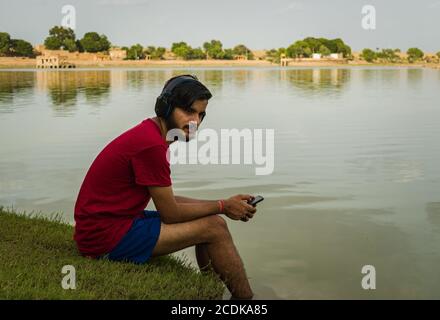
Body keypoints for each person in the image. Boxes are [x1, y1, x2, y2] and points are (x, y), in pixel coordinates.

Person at [74, 74, 257, 299]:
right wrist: (222, 206)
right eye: (189, 111)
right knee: (215, 228)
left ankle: (211, 292)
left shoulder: (151, 134)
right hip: (105, 238)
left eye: (201, 114)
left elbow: (167, 200)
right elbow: (170, 213)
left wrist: (225, 203)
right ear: (165, 107)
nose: (196, 122)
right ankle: (247, 302)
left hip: (113, 224)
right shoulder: (150, 146)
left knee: (210, 223)